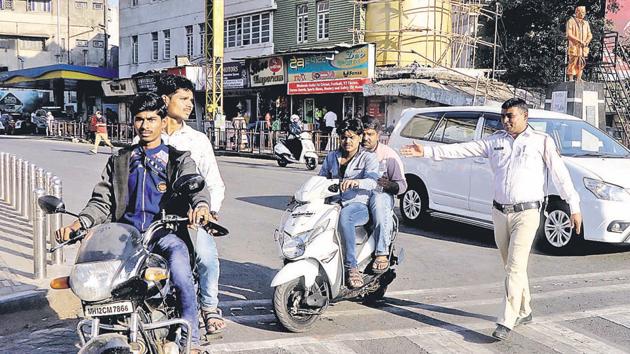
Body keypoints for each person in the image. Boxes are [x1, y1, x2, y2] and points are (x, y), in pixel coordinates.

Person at [400, 98, 582, 341]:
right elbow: (462, 149)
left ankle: (506, 320)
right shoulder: (495, 141)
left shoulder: (541, 142)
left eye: (511, 116)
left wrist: (574, 206)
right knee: (512, 267)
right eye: (504, 116)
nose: (506, 120)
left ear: (525, 117)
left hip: (527, 213)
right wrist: (427, 151)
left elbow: (561, 176)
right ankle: (525, 309)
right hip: (499, 212)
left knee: (515, 267)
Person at [55, 93, 210, 353]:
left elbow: (194, 184)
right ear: (133, 122)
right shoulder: (120, 160)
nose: (145, 125)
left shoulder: (177, 159)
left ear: (162, 122)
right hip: (123, 238)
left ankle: (189, 340)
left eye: (151, 119)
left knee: (182, 272)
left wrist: (201, 206)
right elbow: (102, 201)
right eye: (139, 119)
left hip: (162, 234)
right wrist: (79, 224)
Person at [156, 74, 227, 335]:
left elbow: (214, 183)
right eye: (182, 99)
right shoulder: (149, 137)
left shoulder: (197, 140)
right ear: (165, 100)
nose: (189, 104)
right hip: (155, 219)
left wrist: (207, 210)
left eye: (190, 99)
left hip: (192, 218)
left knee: (206, 258)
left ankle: (209, 307)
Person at [319, 118, 379, 289]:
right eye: (344, 137)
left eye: (352, 137)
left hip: (358, 206)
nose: (347, 141)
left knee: (346, 216)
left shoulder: (368, 158)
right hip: (333, 204)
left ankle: (351, 266)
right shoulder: (332, 157)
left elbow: (373, 181)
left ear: (360, 137)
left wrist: (357, 183)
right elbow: (320, 178)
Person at [361, 115, 407, 273]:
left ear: (378, 135)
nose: (365, 138)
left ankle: (381, 252)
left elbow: (402, 186)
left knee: (379, 201)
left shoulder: (389, 155)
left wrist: (390, 185)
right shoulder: (353, 150)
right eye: (363, 133)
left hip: (380, 195)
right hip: (357, 196)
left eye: (370, 134)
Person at [566, 6, 592, 82]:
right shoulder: (571, 21)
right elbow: (569, 34)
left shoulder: (586, 23)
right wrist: (579, 41)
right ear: (576, 12)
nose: (582, 14)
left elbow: (590, 35)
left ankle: (579, 78)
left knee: (582, 62)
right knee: (573, 62)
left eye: (584, 12)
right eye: (580, 12)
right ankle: (571, 78)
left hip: (583, 48)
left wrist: (587, 41)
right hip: (574, 46)